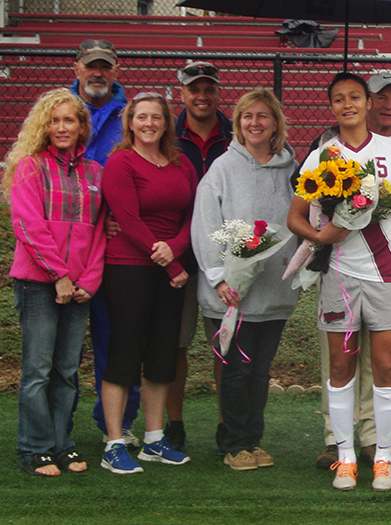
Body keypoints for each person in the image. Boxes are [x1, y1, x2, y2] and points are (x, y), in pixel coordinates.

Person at [288, 72, 391, 492]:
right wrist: (320, 236)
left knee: (385, 368)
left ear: (368, 104)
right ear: (332, 107)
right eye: (339, 99)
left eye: (355, 98)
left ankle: (382, 458)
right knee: (341, 369)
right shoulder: (322, 156)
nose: (348, 105)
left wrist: (377, 201)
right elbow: (294, 216)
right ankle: (346, 458)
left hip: (386, 276)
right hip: (339, 277)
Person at [191, 88, 299, 471]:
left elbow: (299, 222)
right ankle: (235, 443)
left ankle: (253, 441)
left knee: (259, 370)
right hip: (232, 294)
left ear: (275, 124)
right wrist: (220, 277)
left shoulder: (291, 168)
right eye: (247, 117)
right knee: (236, 370)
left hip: (273, 291)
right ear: (237, 124)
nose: (255, 123)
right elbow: (207, 226)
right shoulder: (222, 168)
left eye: (262, 116)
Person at [6, 89, 106, 476]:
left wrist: (88, 281)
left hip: (79, 286)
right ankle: (35, 447)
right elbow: (27, 226)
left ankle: (62, 444)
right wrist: (59, 276)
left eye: (70, 120)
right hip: (39, 284)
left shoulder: (94, 173)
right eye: (54, 120)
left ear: (82, 126)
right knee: (37, 370)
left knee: (67, 370)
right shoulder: (31, 167)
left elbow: (99, 233)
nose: (62, 127)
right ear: (43, 126)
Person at [99, 92, 197, 474]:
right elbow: (126, 217)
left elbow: (193, 213)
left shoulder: (182, 164)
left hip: (171, 265)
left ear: (166, 122)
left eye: (156, 117)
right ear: (130, 122)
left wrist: (175, 249)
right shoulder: (120, 162)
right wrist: (170, 263)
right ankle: (114, 443)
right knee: (124, 354)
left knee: (161, 356)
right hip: (129, 267)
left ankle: (154, 440)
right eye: (142, 117)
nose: (149, 124)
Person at [69, 38, 140, 448]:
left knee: (117, 338)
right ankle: (55, 427)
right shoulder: (60, 113)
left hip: (114, 246)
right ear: (76, 67)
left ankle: (118, 421)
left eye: (105, 67)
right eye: (90, 66)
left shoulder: (128, 115)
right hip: (68, 243)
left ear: (115, 70)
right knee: (60, 348)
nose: (97, 74)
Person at [165, 60, 234, 452]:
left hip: (226, 256)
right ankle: (175, 423)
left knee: (223, 346)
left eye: (209, 88)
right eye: (195, 89)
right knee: (174, 344)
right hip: (179, 256)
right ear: (183, 93)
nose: (202, 96)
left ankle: (226, 424)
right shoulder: (168, 136)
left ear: (218, 92)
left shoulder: (234, 133)